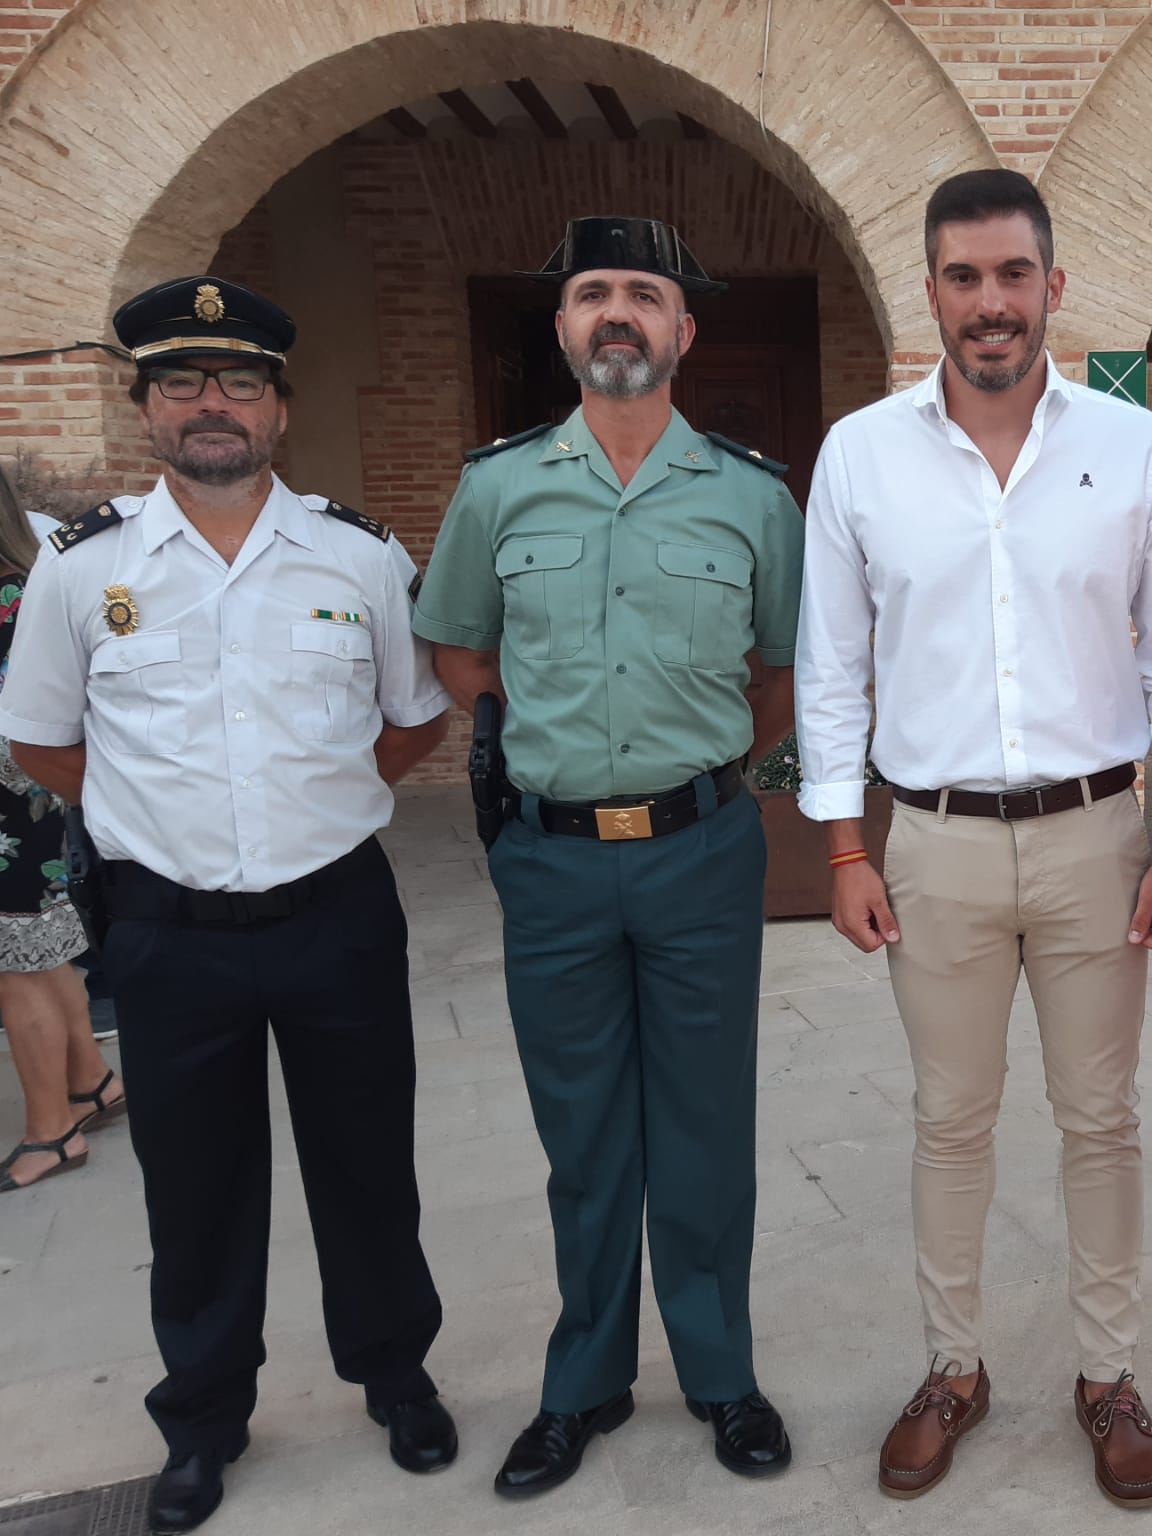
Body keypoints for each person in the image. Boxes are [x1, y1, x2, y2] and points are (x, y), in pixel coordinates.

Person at [0, 277, 459, 1534]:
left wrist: (316, 801)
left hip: (335, 917)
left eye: (239, 383)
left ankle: (395, 1376)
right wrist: (156, 819)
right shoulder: (83, 572)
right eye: (184, 383)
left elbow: (413, 723)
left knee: (367, 1169)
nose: (213, 405)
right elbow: (41, 741)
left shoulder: (357, 555)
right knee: (192, 1190)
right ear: (146, 408)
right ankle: (202, 1419)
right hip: (168, 930)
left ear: (280, 410)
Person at [795, 169, 1152, 1508]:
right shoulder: (861, 452)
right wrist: (844, 850)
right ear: (931, 294)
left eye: (1013, 276)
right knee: (950, 1120)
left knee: (1102, 1118)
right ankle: (954, 1368)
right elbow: (831, 665)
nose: (990, 303)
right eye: (964, 278)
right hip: (935, 843)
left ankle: (1107, 1374)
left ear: (1053, 289)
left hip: (1100, 840)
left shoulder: (1135, 448)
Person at [414, 215, 802, 1496]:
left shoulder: (753, 494)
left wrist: (706, 774)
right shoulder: (497, 486)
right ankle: (579, 1385)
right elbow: (463, 655)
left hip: (699, 850)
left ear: (684, 331)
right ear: (567, 329)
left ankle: (720, 1377)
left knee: (703, 1128)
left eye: (645, 293)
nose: (619, 312)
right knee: (583, 1138)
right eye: (594, 294)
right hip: (557, 861)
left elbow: (779, 673)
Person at [0, 438, 125, 1196]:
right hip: (0, 818)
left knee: (9, 977)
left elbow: (19, 738)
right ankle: (92, 1084)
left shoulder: (11, 598)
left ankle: (50, 1133)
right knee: (41, 962)